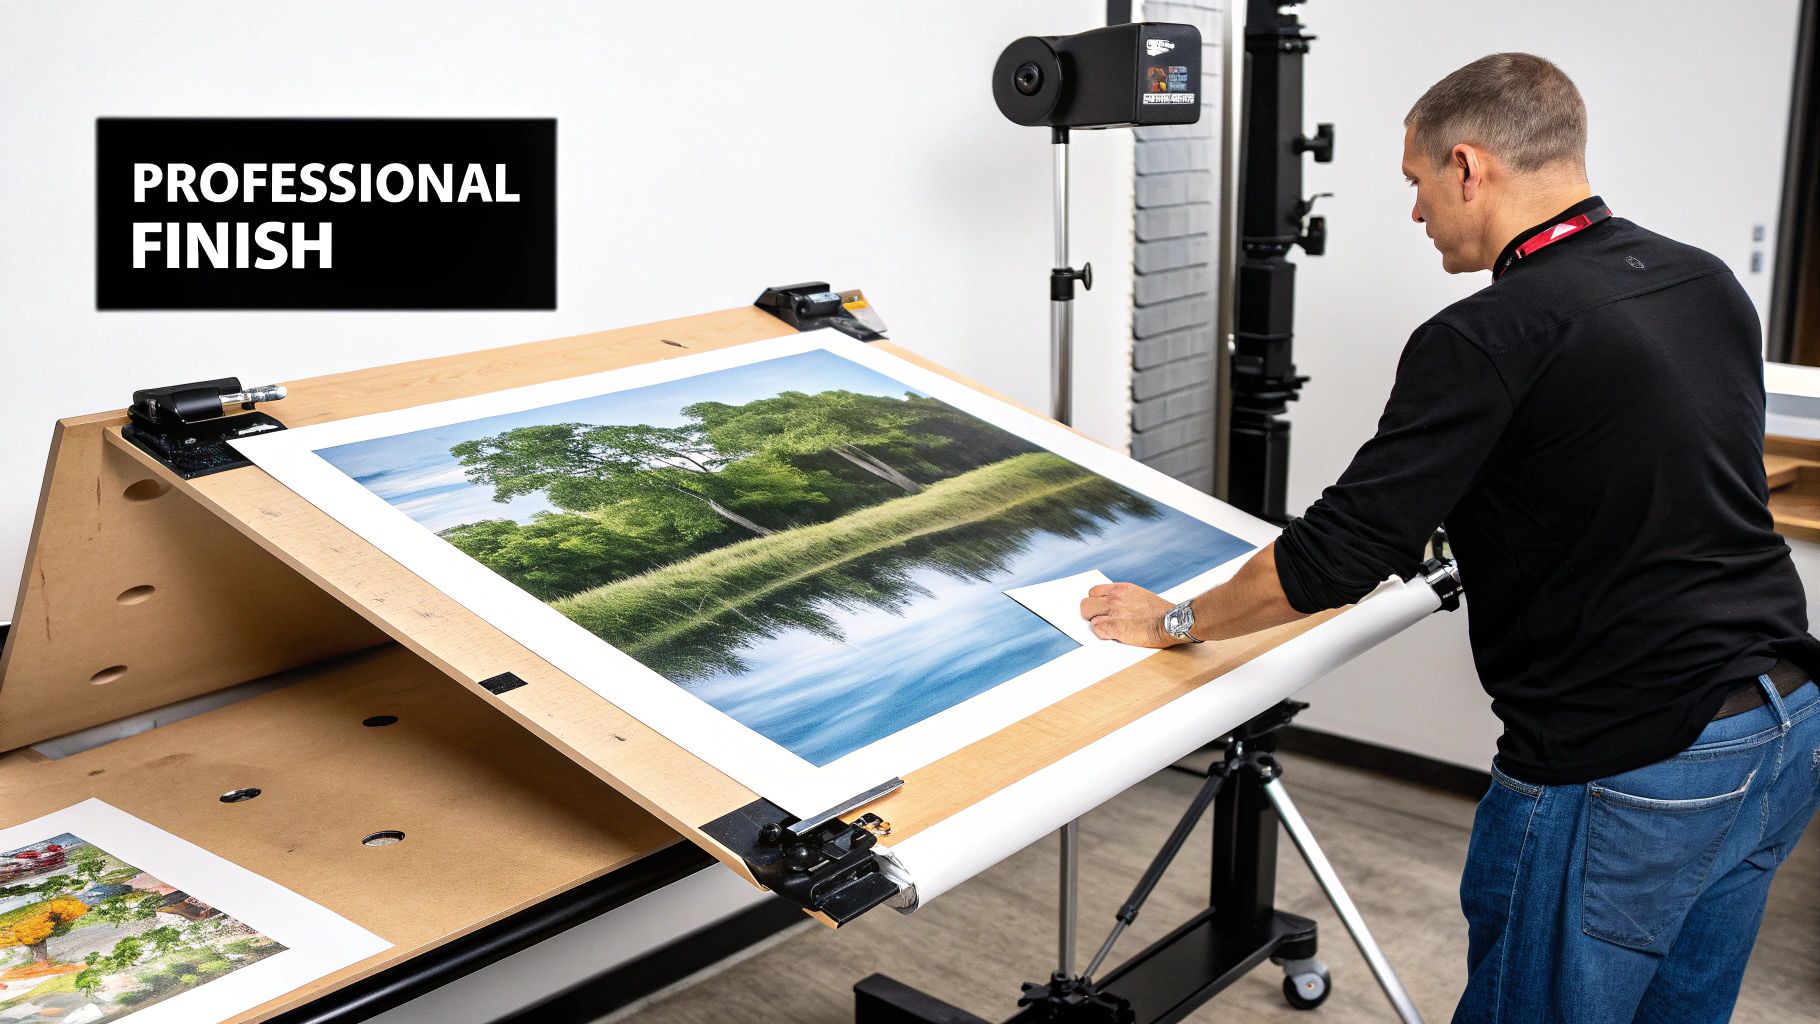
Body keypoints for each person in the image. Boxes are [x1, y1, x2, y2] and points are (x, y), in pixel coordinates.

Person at [1080, 53, 1820, 1023]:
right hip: (1781, 726)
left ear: (1467, 166)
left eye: (1416, 182)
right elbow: (1643, 471)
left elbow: (1335, 557)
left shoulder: (1490, 334)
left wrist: (1174, 619)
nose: (1416, 211)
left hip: (1631, 762)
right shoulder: (1699, 279)